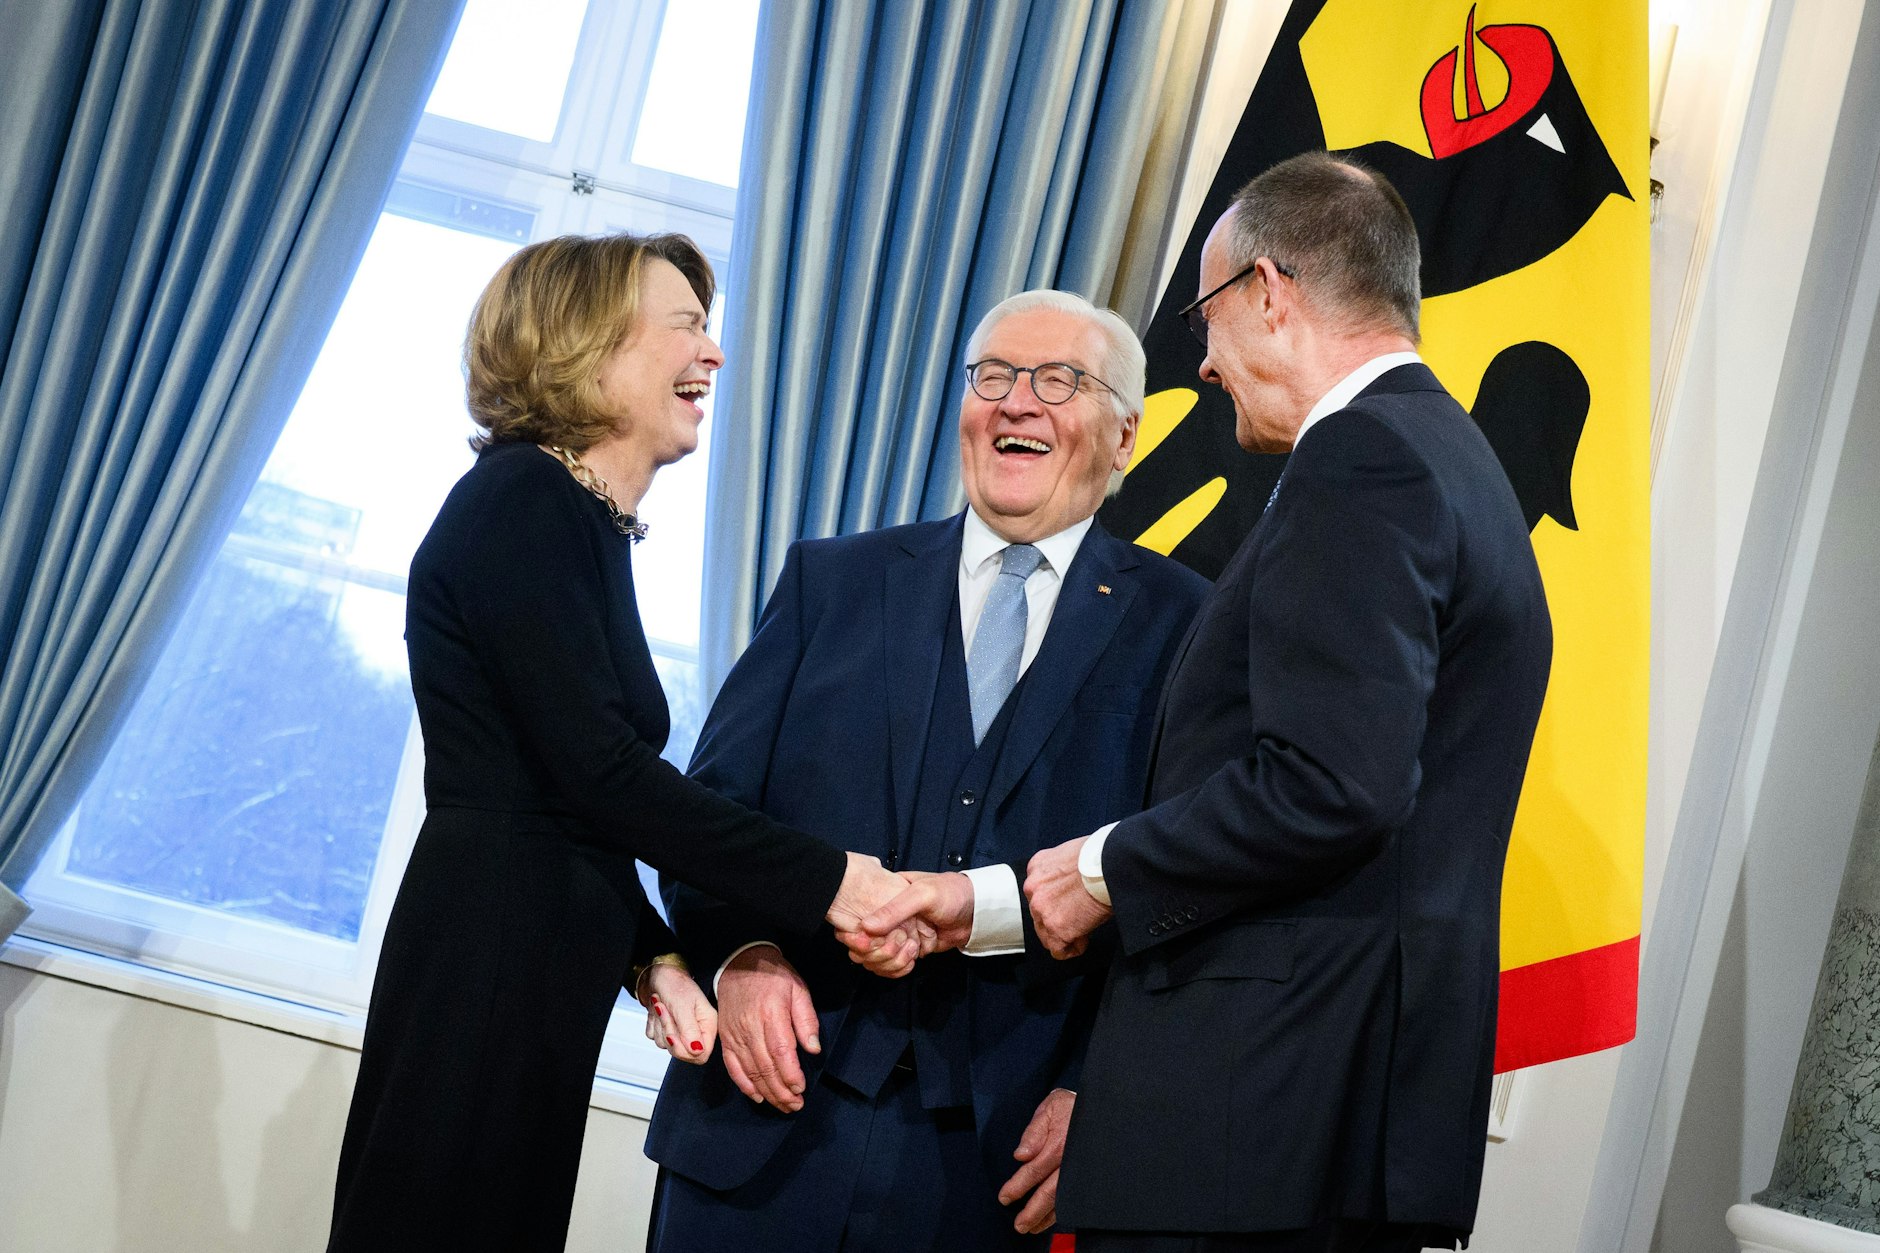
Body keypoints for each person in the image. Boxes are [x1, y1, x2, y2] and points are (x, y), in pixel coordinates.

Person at [326, 232, 911, 1253]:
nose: (713, 352)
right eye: (685, 325)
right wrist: (831, 880)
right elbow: (601, 775)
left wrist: (656, 959)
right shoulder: (523, 498)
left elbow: (559, 797)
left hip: (528, 957)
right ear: (587, 346)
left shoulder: (574, 514)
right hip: (486, 960)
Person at [1023, 153, 1555, 1252]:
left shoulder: (1363, 457)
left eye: (1204, 316)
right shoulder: (1453, 459)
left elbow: (1330, 782)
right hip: (1333, 1111)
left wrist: (1101, 869)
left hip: (1259, 1114)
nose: (1203, 362)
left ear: (1267, 291)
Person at [640, 290, 1211, 1253]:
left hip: (991, 1171)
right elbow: (707, 816)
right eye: (994, 375)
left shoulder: (1189, 627)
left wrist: (1099, 1088)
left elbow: (1184, 885)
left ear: (1124, 436)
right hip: (758, 1126)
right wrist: (740, 958)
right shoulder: (831, 581)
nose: (1017, 401)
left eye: (1059, 381)